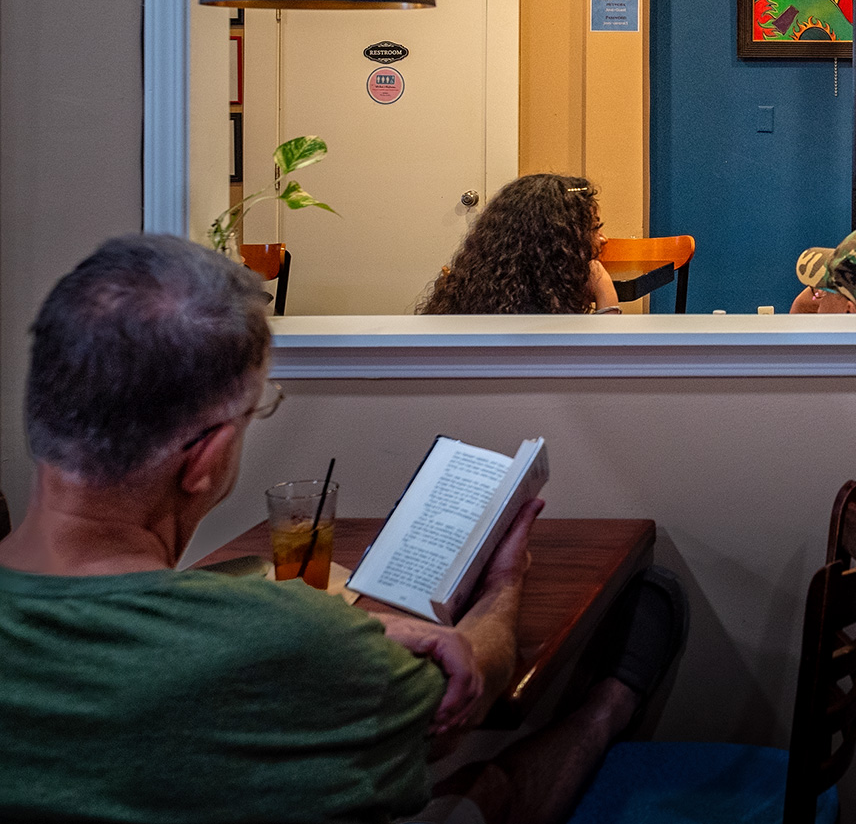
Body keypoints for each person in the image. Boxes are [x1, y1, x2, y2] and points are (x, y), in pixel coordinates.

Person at [0, 234, 685, 824]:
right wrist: (502, 587)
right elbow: (466, 690)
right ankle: (610, 708)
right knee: (481, 793)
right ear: (204, 459)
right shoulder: (285, 643)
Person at [420, 173, 620, 315]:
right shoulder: (534, 315)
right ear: (554, 242)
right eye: (595, 228)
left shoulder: (486, 293)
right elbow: (605, 360)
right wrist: (604, 290)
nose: (603, 239)